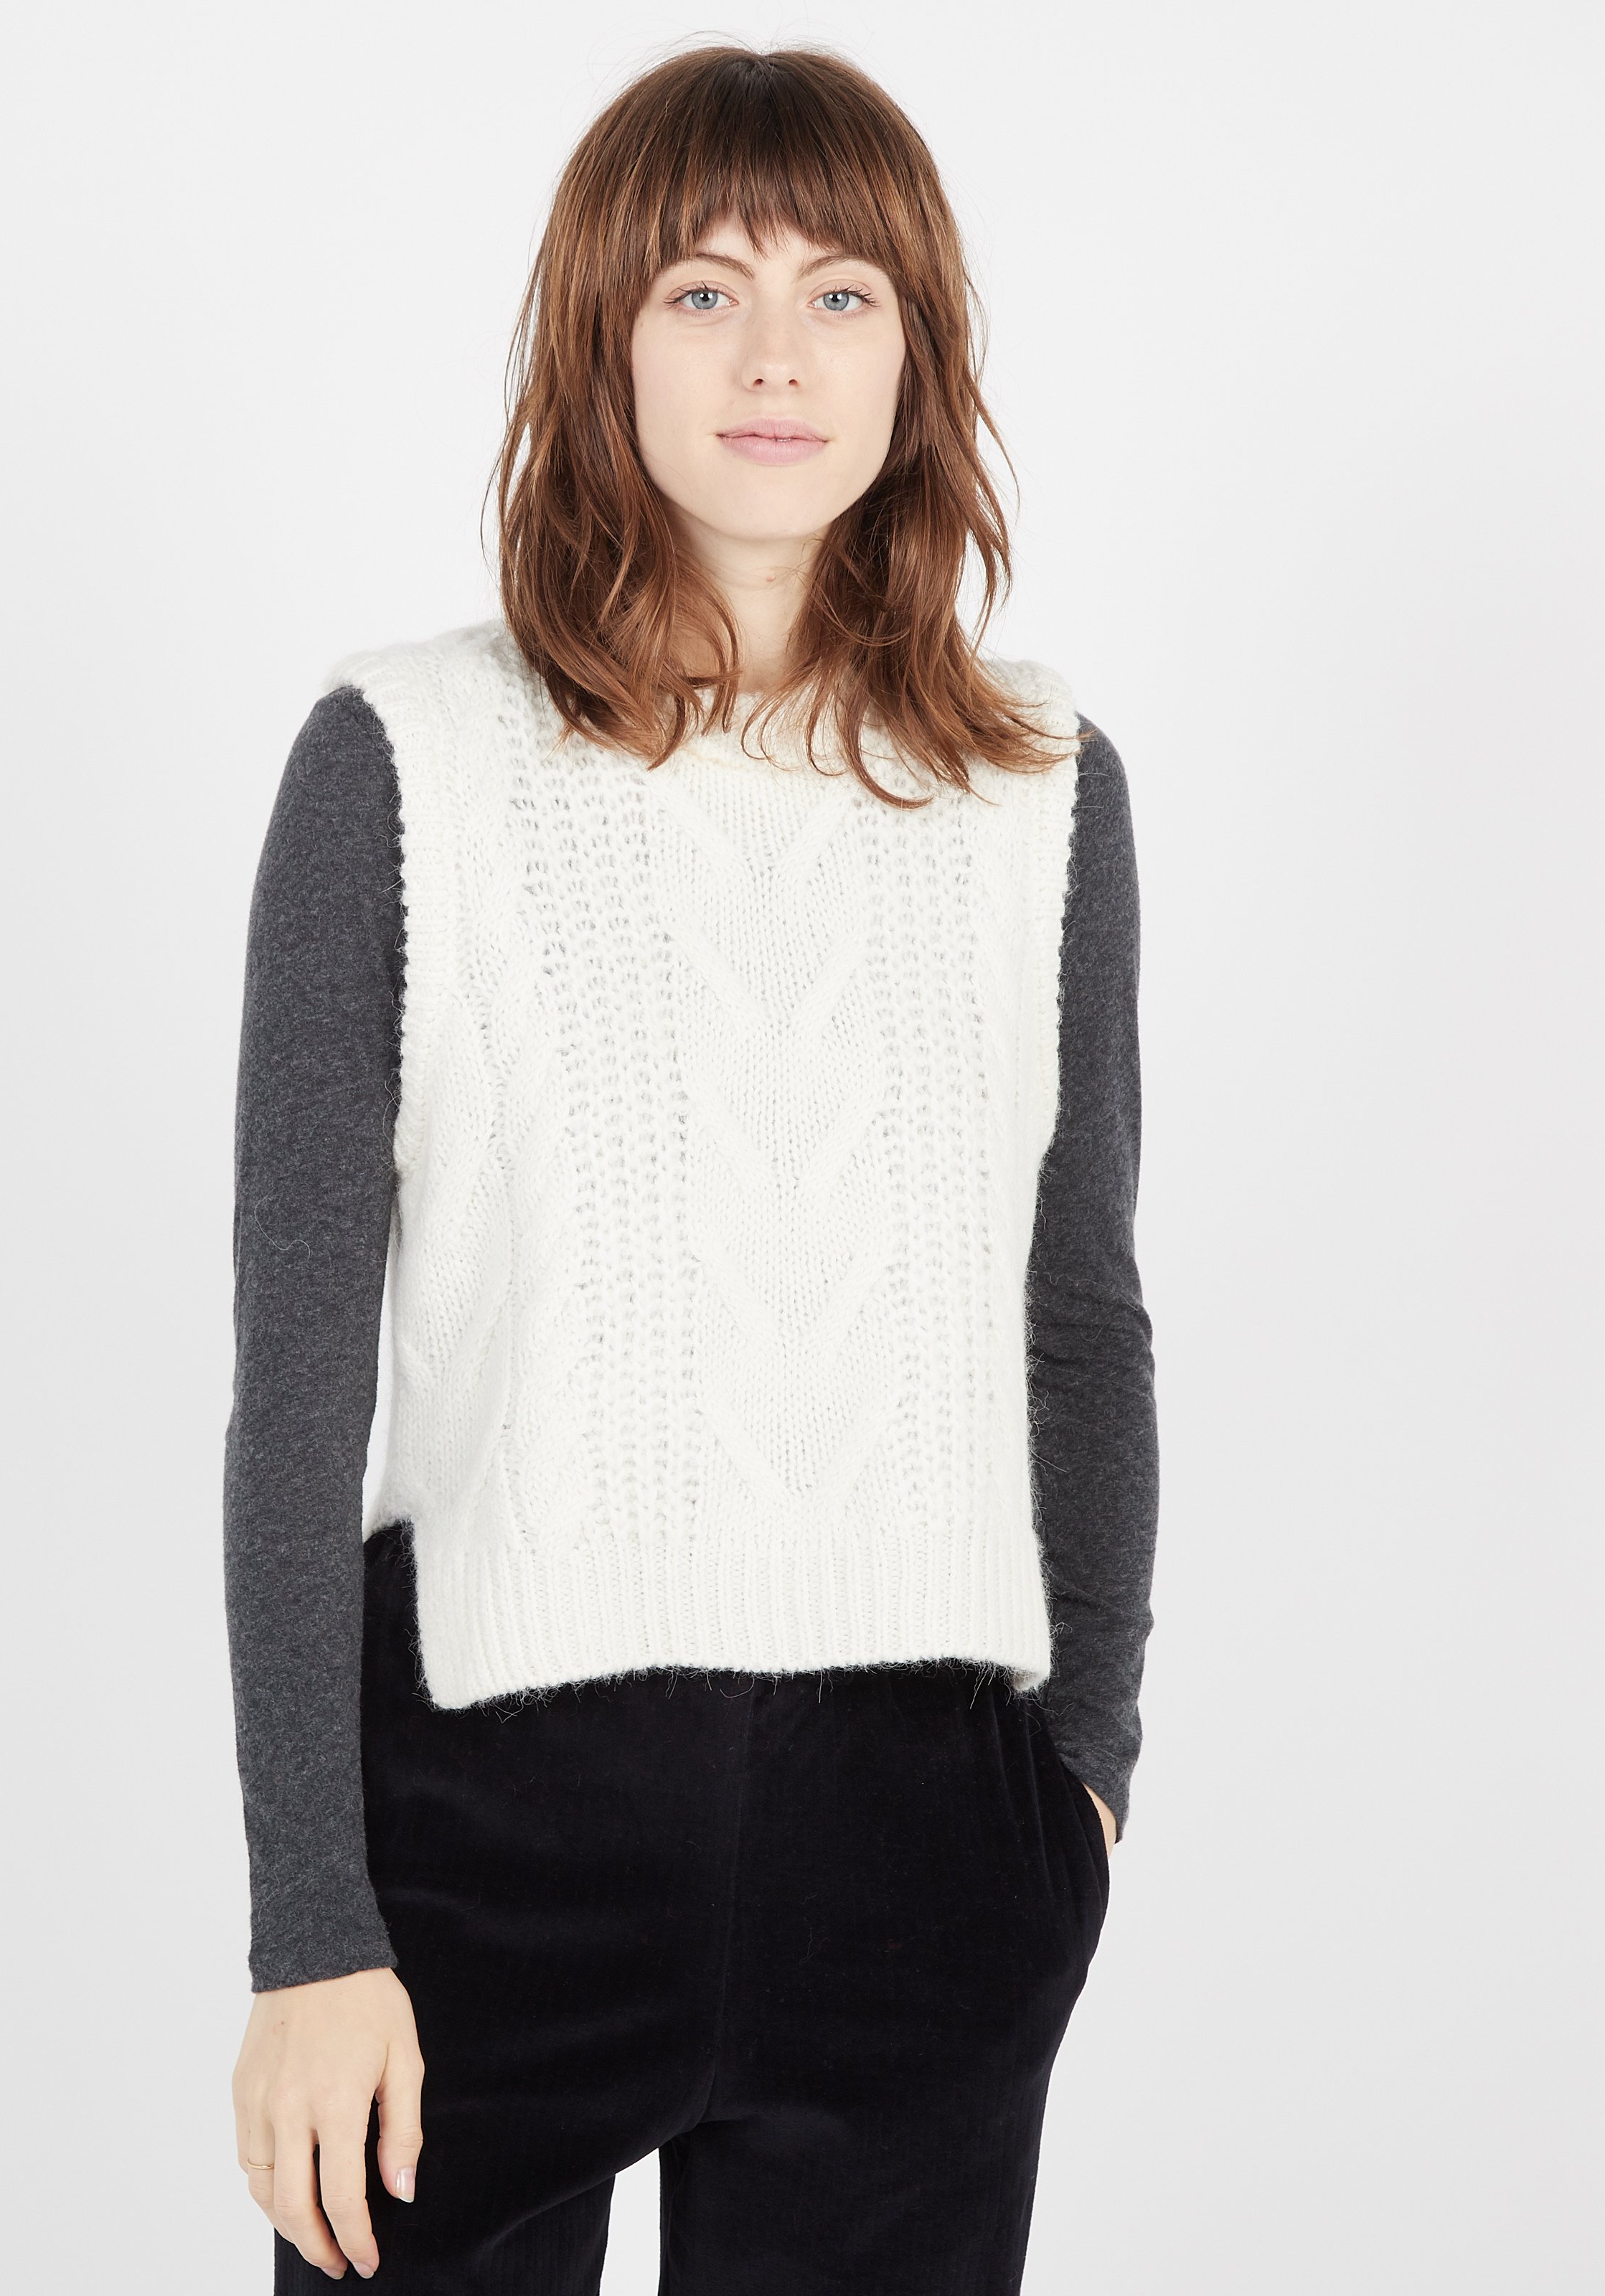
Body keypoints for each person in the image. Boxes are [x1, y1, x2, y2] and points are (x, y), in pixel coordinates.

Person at [223, 41, 1159, 2295]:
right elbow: (298, 1380)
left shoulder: (1044, 788)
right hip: (484, 1852)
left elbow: (1078, 1315)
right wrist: (309, 1928)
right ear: (600, 338)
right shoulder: (401, 761)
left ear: (917, 357)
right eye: (701, 293)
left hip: (930, 1851)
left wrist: (1084, 1778)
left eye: (842, 296)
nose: (773, 358)